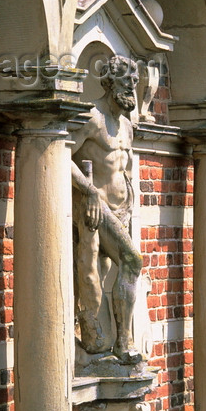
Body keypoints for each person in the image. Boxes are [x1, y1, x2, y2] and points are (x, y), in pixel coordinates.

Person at [71, 56, 143, 364]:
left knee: (100, 274)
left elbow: (122, 169)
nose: (131, 88)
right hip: (97, 209)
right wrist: (88, 192)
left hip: (122, 210)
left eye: (135, 83)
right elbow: (62, 155)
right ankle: (123, 343)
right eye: (126, 81)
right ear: (109, 83)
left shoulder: (126, 125)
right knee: (132, 261)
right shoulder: (92, 118)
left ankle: (99, 334)